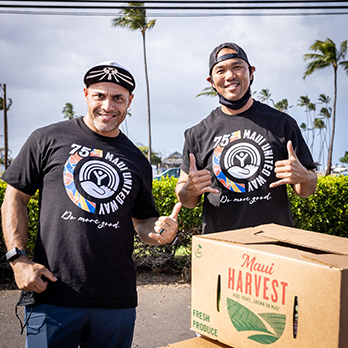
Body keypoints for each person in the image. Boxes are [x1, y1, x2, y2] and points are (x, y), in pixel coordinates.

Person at [1, 61, 181, 348]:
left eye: (118, 98)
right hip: (53, 294)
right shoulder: (47, 139)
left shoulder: (137, 160)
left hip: (116, 301)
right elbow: (14, 198)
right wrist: (18, 260)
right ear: (86, 94)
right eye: (100, 95)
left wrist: (159, 230)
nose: (108, 106)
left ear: (129, 102)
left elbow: (143, 223)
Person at [175, 42, 317, 234]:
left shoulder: (282, 124)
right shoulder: (197, 133)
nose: (230, 76)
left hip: (275, 244)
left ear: (251, 73)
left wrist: (304, 177)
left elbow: (305, 191)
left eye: (237, 67)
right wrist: (188, 190)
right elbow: (188, 200)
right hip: (222, 246)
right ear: (211, 81)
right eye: (221, 70)